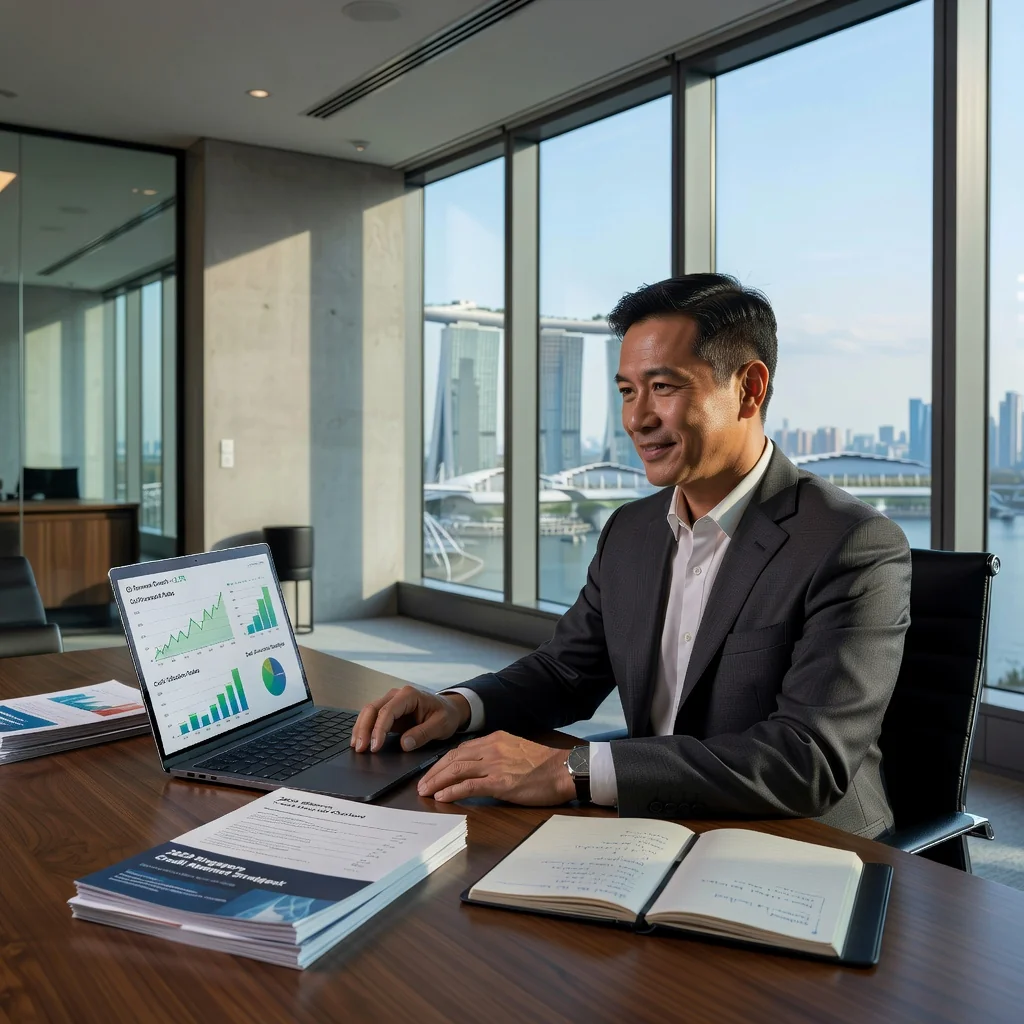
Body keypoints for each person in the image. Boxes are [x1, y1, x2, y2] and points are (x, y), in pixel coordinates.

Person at [353, 273, 911, 837]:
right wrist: (458, 707)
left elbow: (804, 761)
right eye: (626, 391)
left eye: (663, 387)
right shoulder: (632, 530)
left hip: (804, 843)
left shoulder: (850, 545)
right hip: (657, 821)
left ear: (750, 388)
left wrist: (572, 768)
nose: (637, 419)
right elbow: (566, 671)